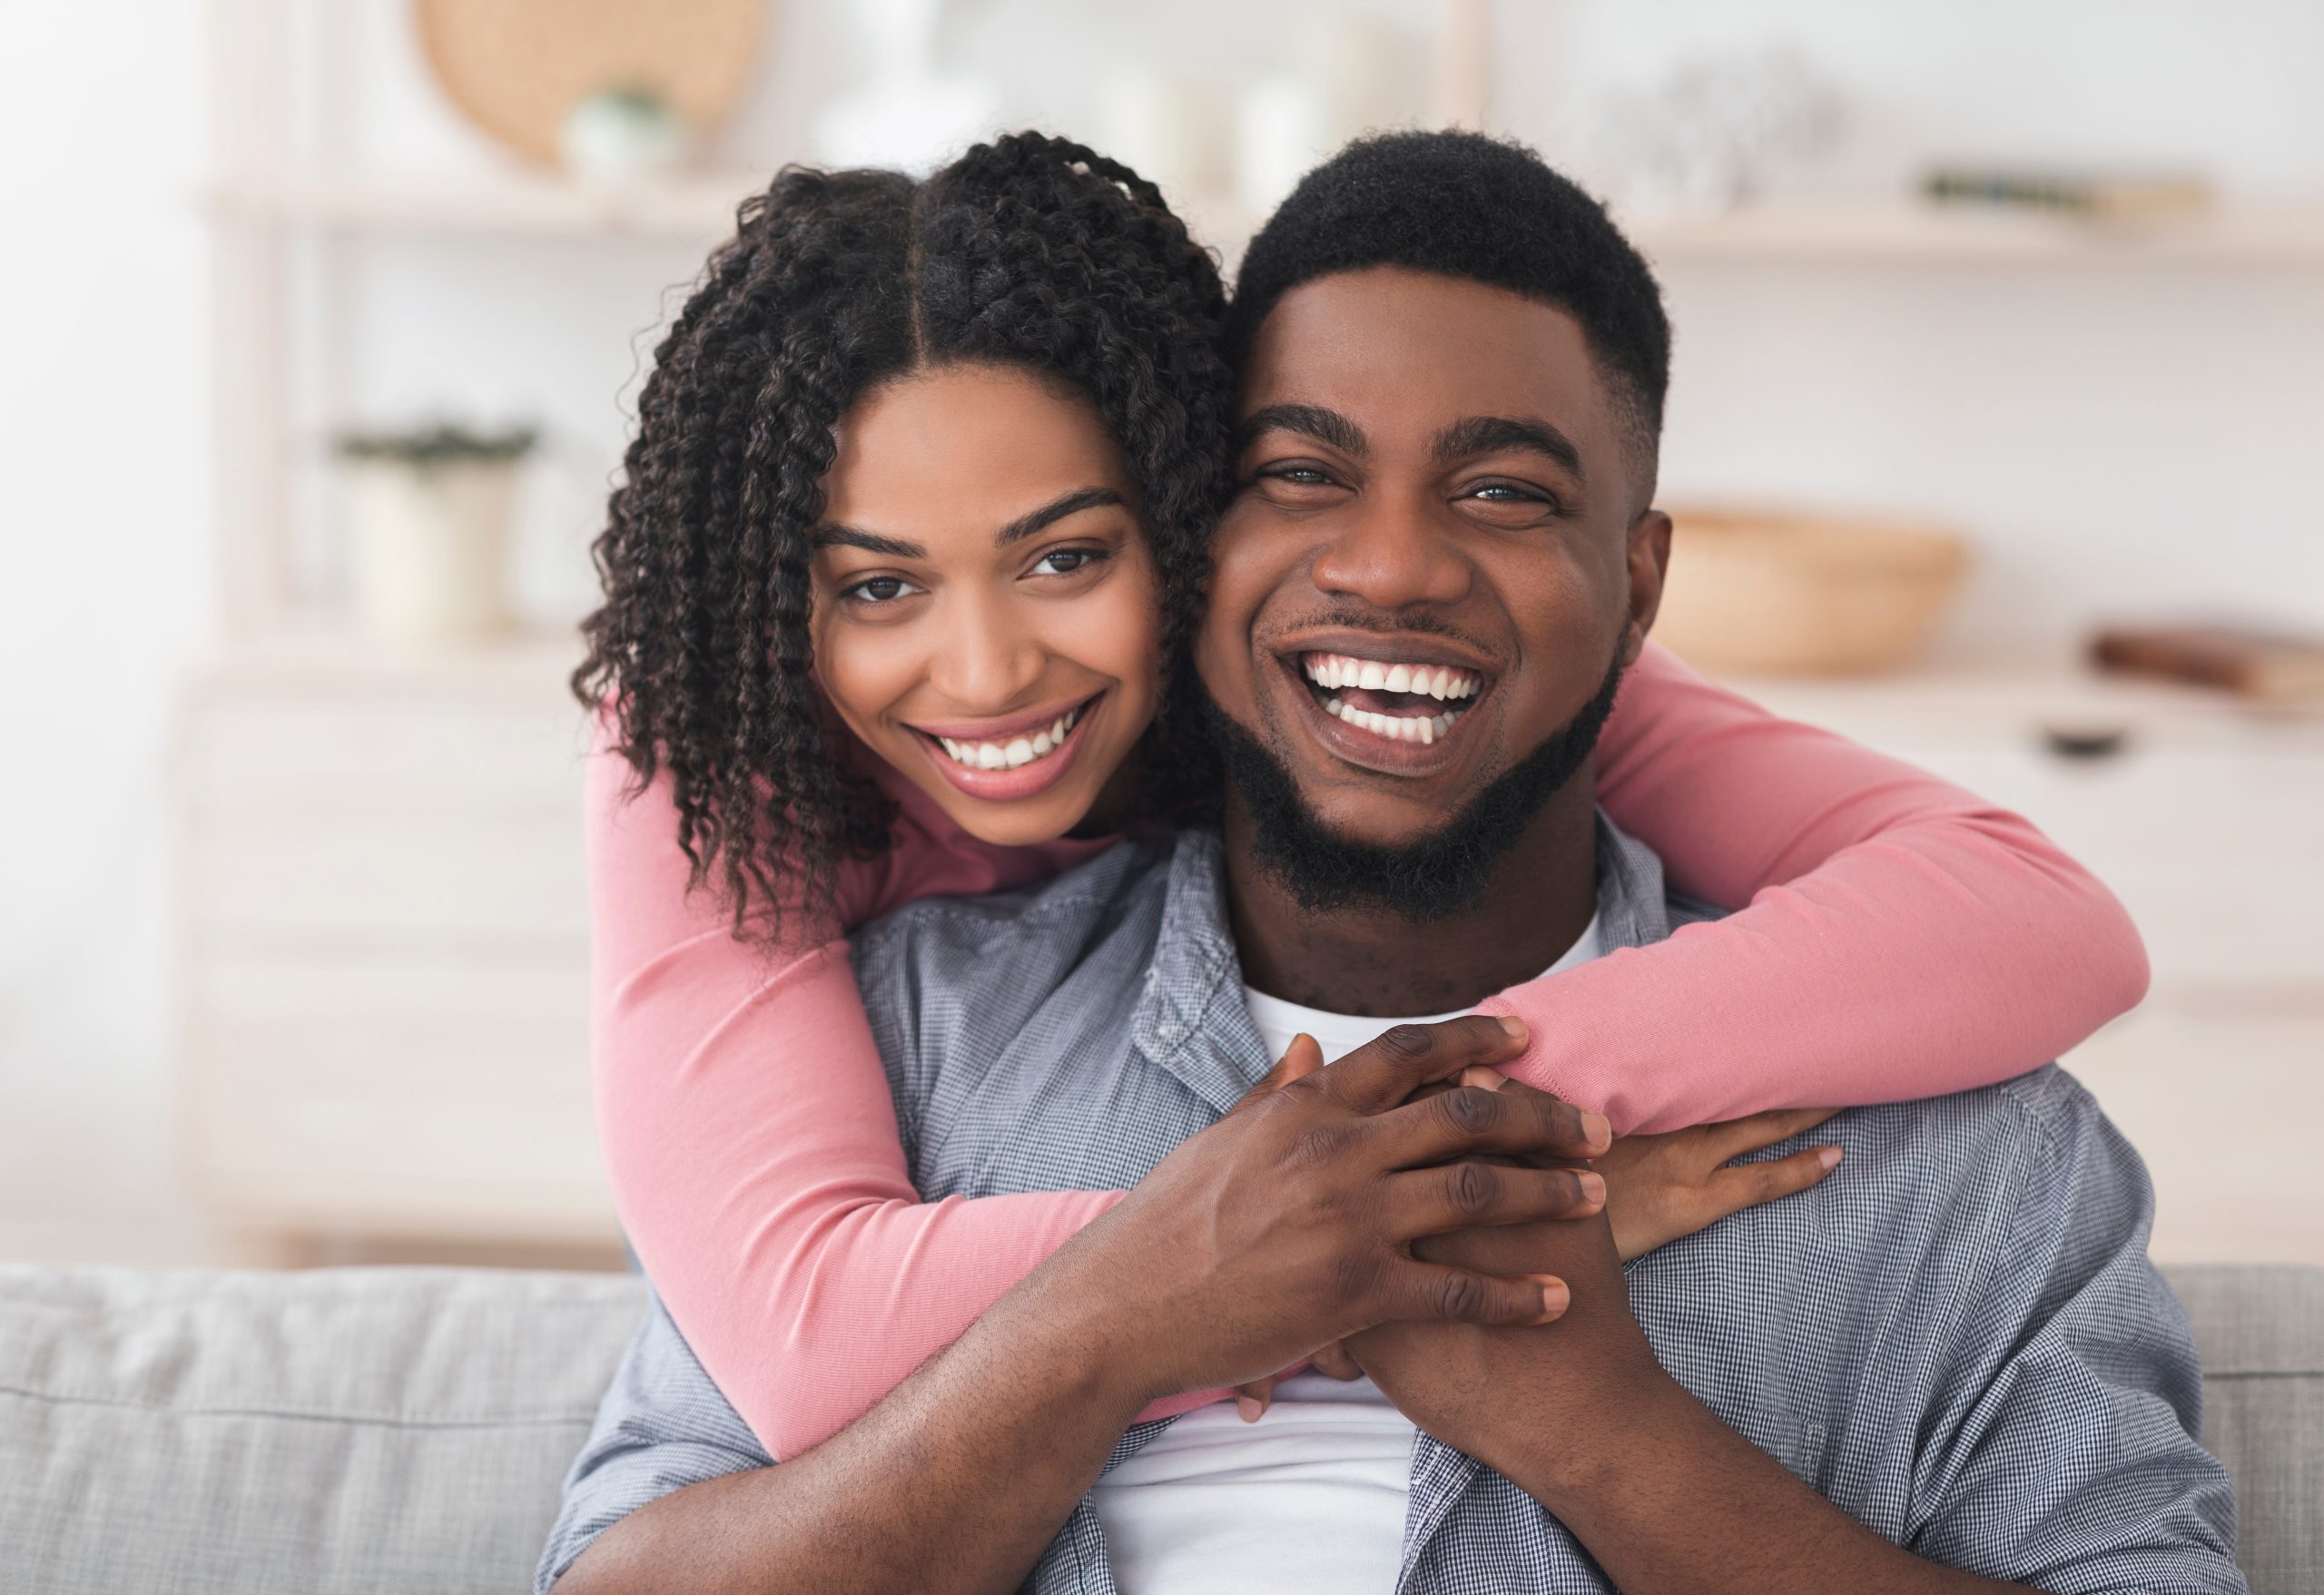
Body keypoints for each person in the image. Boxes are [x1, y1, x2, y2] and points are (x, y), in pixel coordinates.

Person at [537, 132, 2240, 1595]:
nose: (1394, 567)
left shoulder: (1967, 1137)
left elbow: (2034, 914)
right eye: (1303, 474)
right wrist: (1214, 1275)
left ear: (1639, 586)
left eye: (1502, 492)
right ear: (1217, 526)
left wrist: (1596, 1409)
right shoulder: (892, 1015)